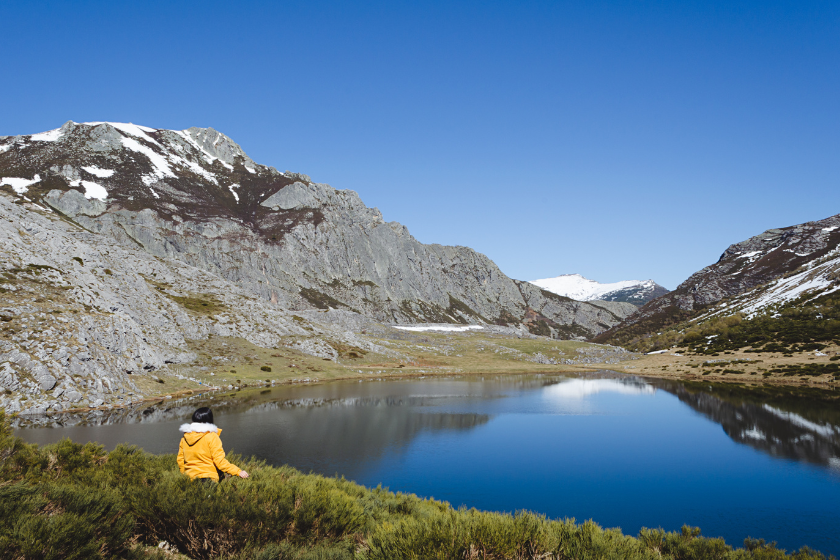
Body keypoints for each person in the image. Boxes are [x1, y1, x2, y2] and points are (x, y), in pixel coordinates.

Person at [177, 407, 249, 482]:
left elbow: (180, 461)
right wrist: (238, 472)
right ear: (209, 419)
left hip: (189, 478)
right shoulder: (211, 436)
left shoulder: (185, 438)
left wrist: (184, 476)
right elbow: (220, 462)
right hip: (208, 479)